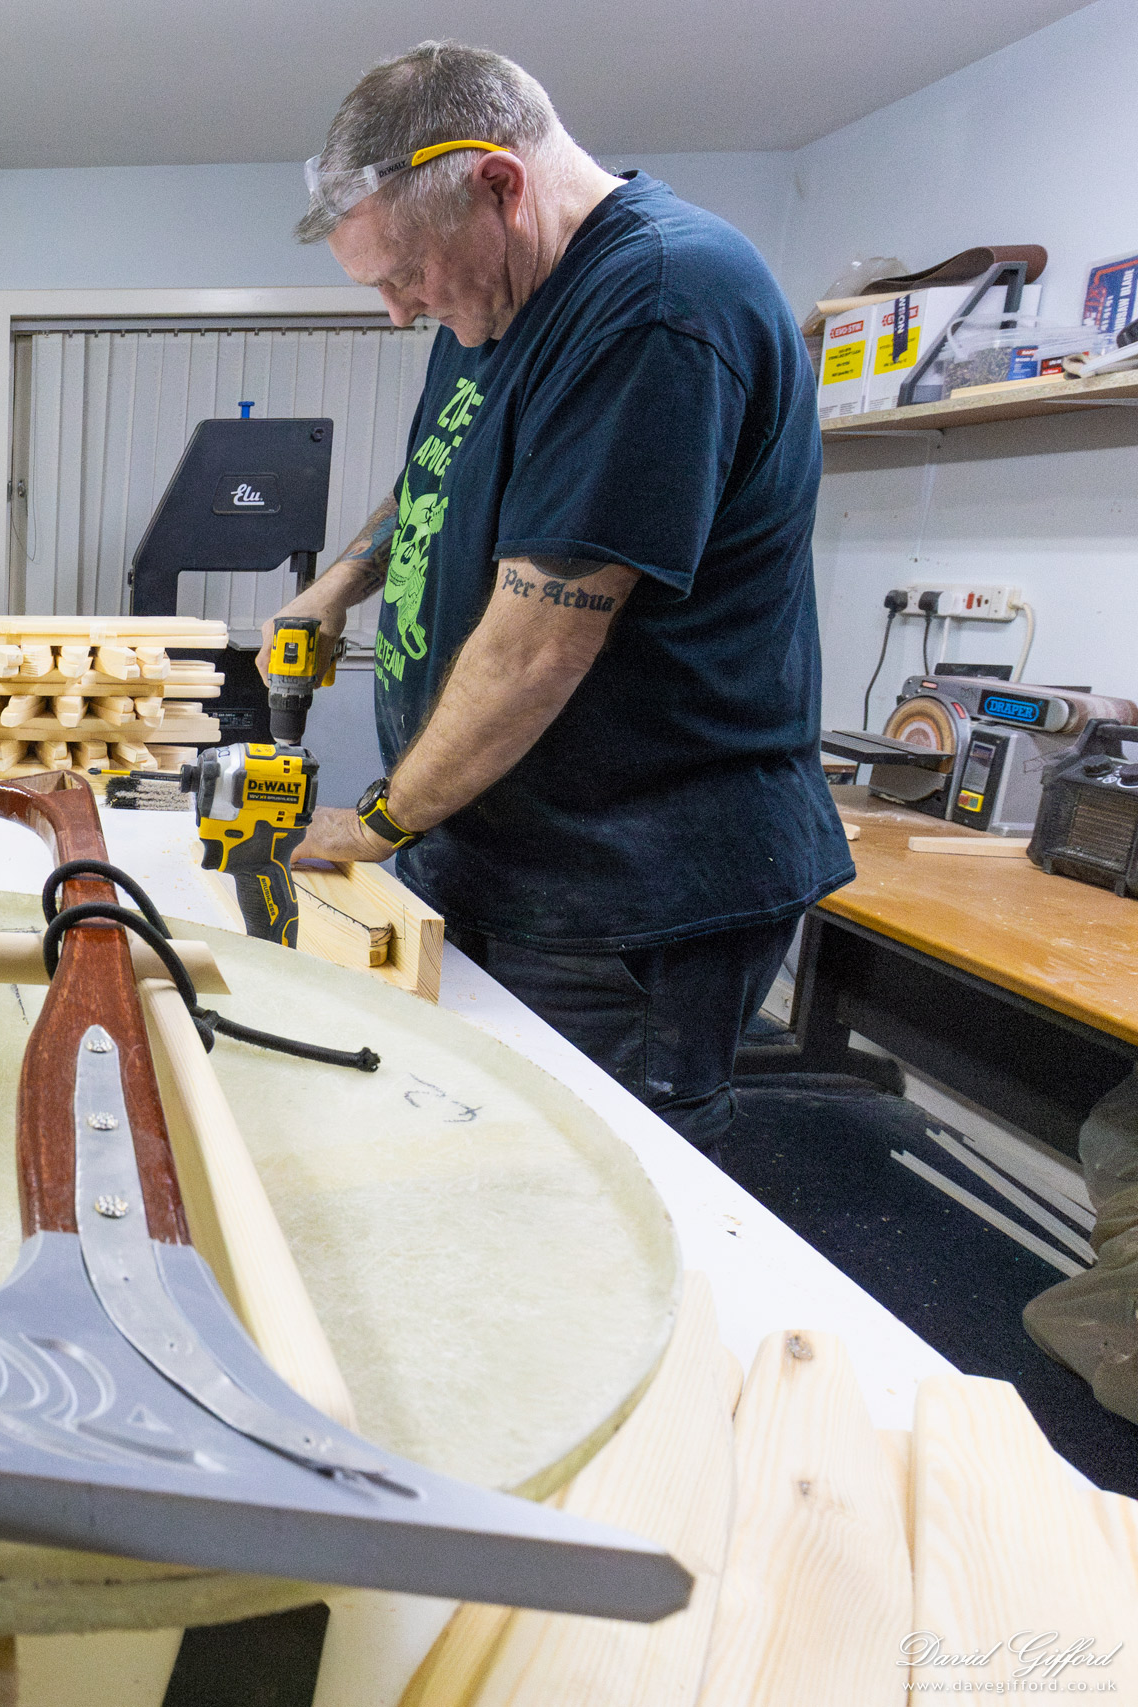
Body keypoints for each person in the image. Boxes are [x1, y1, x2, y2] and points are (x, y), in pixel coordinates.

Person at [270, 43, 852, 1155]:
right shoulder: (494, 294)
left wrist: (381, 820)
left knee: (579, 1186)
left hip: (630, 883)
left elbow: (539, 647)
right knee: (477, 1150)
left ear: (498, 184)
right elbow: (446, 468)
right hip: (516, 852)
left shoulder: (657, 307)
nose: (400, 312)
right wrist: (346, 575)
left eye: (406, 276)